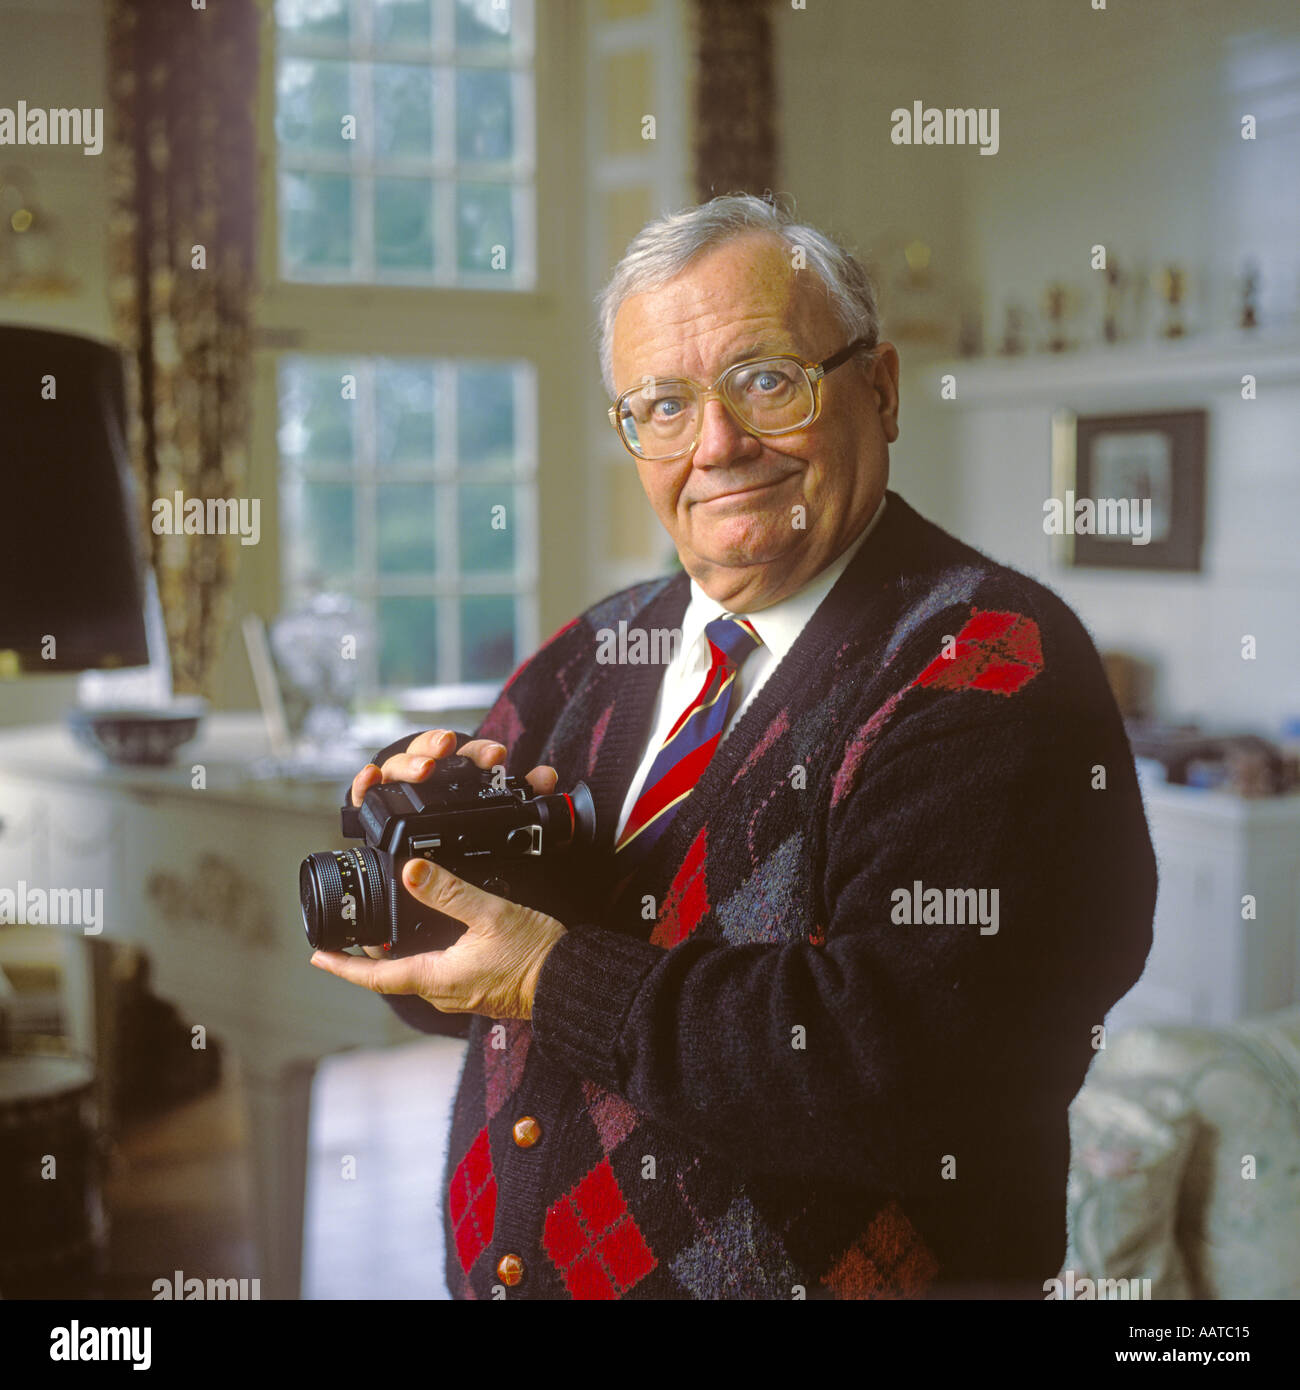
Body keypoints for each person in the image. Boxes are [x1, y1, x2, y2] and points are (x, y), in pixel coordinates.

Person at [310, 193, 1156, 1300]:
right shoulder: (594, 648)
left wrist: (549, 969)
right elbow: (469, 987)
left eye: (765, 380)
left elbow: (899, 1065)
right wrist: (420, 882)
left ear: (881, 388)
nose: (715, 445)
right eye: (661, 405)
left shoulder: (993, 663)